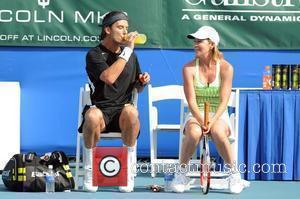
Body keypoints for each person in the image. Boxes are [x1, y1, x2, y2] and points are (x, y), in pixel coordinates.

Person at [170, 26, 247, 193]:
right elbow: (191, 100)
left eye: (199, 41)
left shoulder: (226, 68)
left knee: (218, 132)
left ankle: (234, 174)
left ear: (211, 44)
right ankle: (181, 173)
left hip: (219, 114)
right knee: (194, 133)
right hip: (196, 113)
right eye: (195, 41)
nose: (195, 45)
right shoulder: (188, 68)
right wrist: (201, 120)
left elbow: (224, 101)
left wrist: (211, 121)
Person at [80, 11, 150, 192]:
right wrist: (127, 51)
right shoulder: (94, 54)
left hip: (123, 115)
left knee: (132, 111)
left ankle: (127, 172)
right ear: (108, 30)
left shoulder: (131, 57)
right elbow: (109, 77)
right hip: (101, 111)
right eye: (120, 27)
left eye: (126, 28)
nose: (124, 31)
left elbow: (137, 88)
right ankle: (90, 171)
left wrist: (142, 82)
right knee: (92, 115)